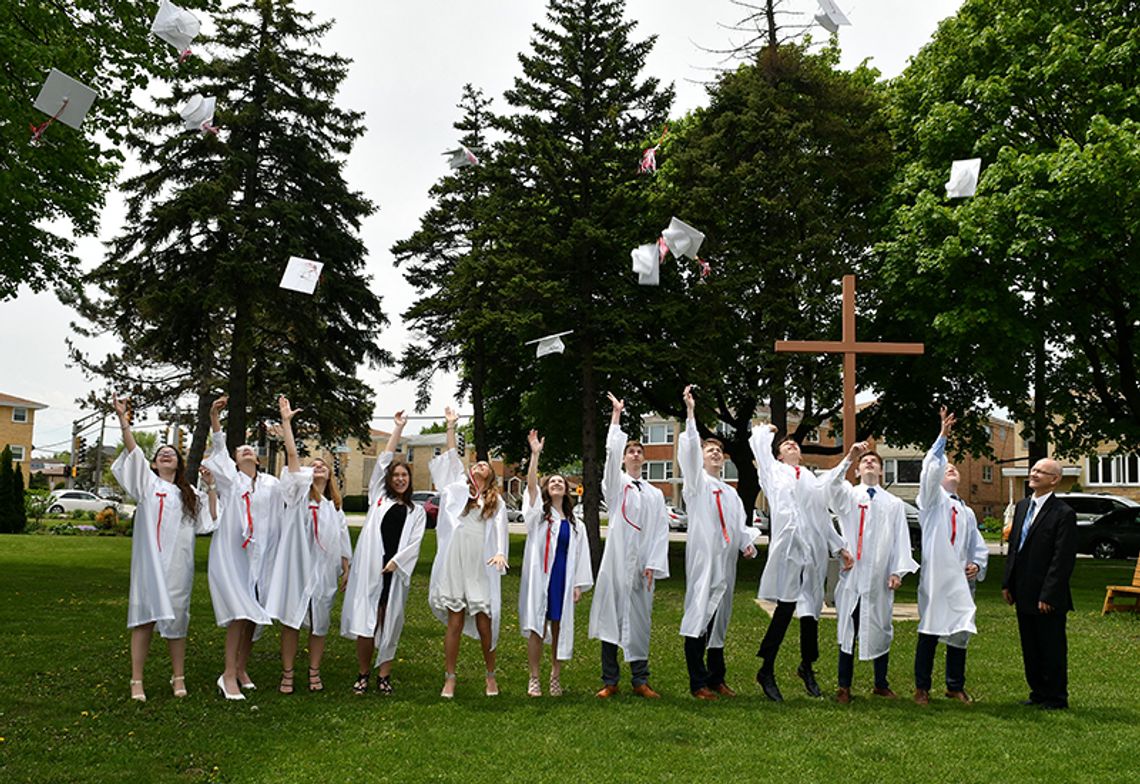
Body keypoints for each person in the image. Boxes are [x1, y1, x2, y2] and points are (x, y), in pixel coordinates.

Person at [111, 394, 220, 702]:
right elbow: (133, 451)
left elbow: (210, 521)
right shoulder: (146, 484)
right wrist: (123, 420)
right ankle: (137, 681)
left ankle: (178, 677)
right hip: (149, 565)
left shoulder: (188, 494)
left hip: (177, 566)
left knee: (176, 621)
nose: (166, 455)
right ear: (154, 463)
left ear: (179, 462)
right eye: (161, 453)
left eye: (172, 452)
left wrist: (211, 487)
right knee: (144, 619)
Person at [750, 424, 853, 701]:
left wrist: (839, 546)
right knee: (785, 609)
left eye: (795, 444)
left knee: (810, 614)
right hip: (789, 550)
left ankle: (807, 666)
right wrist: (764, 432)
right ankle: (766, 669)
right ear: (779, 455)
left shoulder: (810, 478)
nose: (792, 445)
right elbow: (759, 449)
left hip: (812, 551)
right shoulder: (773, 472)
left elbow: (821, 514)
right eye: (786, 445)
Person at [264, 395, 352, 695]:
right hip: (297, 568)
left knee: (320, 624)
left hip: (324, 572)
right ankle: (287, 673)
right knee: (291, 621)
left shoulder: (333, 508)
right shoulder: (298, 495)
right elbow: (291, 457)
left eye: (323, 466)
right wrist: (287, 423)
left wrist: (346, 567)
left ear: (330, 475)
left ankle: (314, 671)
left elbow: (342, 541)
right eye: (313, 465)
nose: (317, 468)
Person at [678, 385, 761, 700]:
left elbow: (739, 526)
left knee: (719, 619)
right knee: (699, 614)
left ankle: (716, 678)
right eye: (709, 450)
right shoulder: (696, 485)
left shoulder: (730, 492)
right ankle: (697, 682)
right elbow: (687, 451)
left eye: (718, 451)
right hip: (704, 561)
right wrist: (690, 413)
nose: (715, 453)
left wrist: (746, 544)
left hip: (726, 565)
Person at [589, 392, 670, 699]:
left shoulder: (654, 494)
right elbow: (610, 458)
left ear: (644, 458)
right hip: (617, 561)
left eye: (639, 450)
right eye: (630, 451)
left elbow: (661, 530)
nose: (635, 454)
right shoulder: (617, 485)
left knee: (639, 621)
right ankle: (610, 679)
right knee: (612, 618)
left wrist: (653, 563)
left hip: (641, 566)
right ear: (624, 457)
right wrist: (616, 417)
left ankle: (640, 679)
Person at [340, 410, 427, 695]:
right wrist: (397, 429)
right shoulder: (378, 498)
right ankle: (363, 673)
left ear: (409, 480)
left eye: (405, 476)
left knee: (389, 621)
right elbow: (382, 462)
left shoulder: (416, 512)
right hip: (370, 568)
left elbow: (414, 543)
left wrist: (396, 562)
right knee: (367, 621)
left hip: (394, 570)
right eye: (396, 476)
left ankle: (384, 676)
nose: (400, 479)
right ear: (389, 480)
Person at [826, 441, 918, 703]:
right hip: (853, 574)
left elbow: (901, 538)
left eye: (874, 461)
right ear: (856, 471)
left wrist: (897, 571)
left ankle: (881, 682)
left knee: (880, 626)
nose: (869, 463)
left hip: (879, 576)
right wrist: (848, 457)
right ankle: (844, 686)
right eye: (864, 461)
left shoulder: (894, 503)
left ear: (881, 470)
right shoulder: (848, 495)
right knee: (848, 629)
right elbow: (830, 488)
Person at [427, 406, 509, 698]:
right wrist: (451, 427)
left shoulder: (494, 500)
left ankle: (490, 674)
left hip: (480, 563)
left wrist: (500, 552)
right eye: (476, 464)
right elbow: (452, 460)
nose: (479, 466)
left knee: (485, 623)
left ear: (491, 476)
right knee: (456, 621)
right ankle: (450, 677)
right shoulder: (459, 490)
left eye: (485, 466)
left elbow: (500, 527)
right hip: (456, 560)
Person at [202, 395, 278, 700]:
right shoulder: (231, 481)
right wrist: (214, 418)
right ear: (233, 461)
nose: (245, 449)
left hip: (260, 556)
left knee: (252, 615)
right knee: (239, 611)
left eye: (250, 449)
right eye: (239, 449)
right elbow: (218, 448)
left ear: (258, 459)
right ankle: (228, 674)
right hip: (233, 555)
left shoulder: (271, 485)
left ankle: (241, 666)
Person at [913, 407, 989, 705]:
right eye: (947, 469)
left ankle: (954, 684)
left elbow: (977, 545)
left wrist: (976, 564)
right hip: (936, 577)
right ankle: (922, 686)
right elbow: (930, 468)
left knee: (960, 628)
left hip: (960, 577)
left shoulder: (967, 511)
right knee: (930, 628)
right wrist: (943, 437)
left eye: (954, 467)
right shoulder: (931, 503)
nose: (951, 469)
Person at [518, 429, 593, 697]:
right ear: (548, 489)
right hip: (542, 577)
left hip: (563, 579)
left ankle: (555, 677)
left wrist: (578, 585)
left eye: (562, 482)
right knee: (538, 626)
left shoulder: (576, 525)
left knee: (559, 627)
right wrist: (535, 454)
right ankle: (534, 678)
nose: (558, 484)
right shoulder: (540, 516)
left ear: (568, 489)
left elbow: (582, 556)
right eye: (553, 482)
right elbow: (529, 487)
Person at [1002, 457, 1077, 710]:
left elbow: (1062, 559)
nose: (1033, 474)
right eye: (1032, 470)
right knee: (1030, 646)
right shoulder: (1023, 507)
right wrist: (1007, 584)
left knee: (1051, 647)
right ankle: (1038, 693)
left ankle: (1056, 697)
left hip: (1047, 595)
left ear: (1054, 479)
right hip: (1022, 591)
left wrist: (1049, 594)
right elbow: (1015, 548)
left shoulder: (1063, 514)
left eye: (1040, 471)